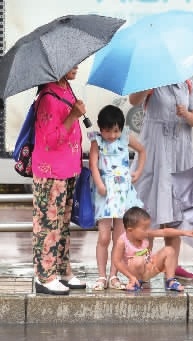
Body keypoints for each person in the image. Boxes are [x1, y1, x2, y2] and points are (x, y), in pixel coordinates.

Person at [128, 81, 193, 281]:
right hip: (154, 150)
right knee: (147, 208)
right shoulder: (152, 80)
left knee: (175, 209)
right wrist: (147, 84)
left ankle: (172, 264)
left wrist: (186, 114)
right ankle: (144, 265)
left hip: (180, 151)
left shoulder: (189, 84)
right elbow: (133, 100)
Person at [32, 65, 88, 295]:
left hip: (68, 167)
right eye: (72, 63)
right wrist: (74, 115)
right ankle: (45, 276)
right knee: (47, 224)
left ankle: (63, 270)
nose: (76, 66)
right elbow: (50, 139)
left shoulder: (67, 89)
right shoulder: (47, 96)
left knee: (63, 224)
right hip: (50, 170)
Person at [88, 105, 146, 291]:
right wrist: (99, 184)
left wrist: (137, 171)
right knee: (104, 237)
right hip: (105, 193)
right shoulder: (97, 141)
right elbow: (93, 165)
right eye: (107, 130)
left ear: (120, 128)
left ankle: (114, 275)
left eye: (115, 130)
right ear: (100, 128)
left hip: (123, 193)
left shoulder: (125, 137)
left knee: (120, 238)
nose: (111, 135)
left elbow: (142, 151)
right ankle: (101, 275)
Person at [112, 207, 193, 291]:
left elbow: (164, 232)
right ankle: (135, 282)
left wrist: (184, 232)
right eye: (144, 229)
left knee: (169, 250)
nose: (147, 231)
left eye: (148, 227)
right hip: (135, 272)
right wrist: (130, 277)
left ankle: (171, 281)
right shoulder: (122, 241)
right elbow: (117, 261)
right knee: (138, 260)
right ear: (130, 230)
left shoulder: (144, 234)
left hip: (150, 268)